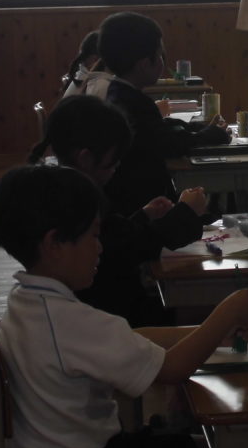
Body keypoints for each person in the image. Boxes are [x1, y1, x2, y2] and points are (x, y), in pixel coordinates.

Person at [0, 163, 248, 448]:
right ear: (54, 244)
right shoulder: (68, 320)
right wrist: (230, 310)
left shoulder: (28, 303)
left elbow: (131, 339)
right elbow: (171, 369)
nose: (100, 247)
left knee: (197, 446)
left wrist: (212, 335)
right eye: (93, 235)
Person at [28, 95, 208, 326]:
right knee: (216, 309)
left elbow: (116, 237)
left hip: (109, 306)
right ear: (85, 158)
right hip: (114, 317)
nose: (118, 165)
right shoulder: (77, 201)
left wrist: (144, 215)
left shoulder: (62, 187)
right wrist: (186, 212)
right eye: (114, 159)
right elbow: (128, 247)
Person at [97, 11, 230, 215]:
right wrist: (210, 135)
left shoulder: (118, 93)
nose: (162, 61)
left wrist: (195, 127)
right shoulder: (134, 102)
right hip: (146, 202)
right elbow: (168, 144)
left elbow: (158, 128)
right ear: (144, 65)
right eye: (160, 55)